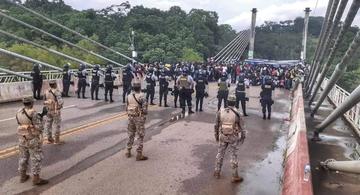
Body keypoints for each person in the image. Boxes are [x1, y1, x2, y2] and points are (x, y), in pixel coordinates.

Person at [16, 97, 48, 185]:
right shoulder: (33, 113)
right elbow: (40, 127)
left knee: (23, 157)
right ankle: (36, 179)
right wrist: (43, 117)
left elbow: (21, 123)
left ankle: (23, 176)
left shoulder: (19, 112)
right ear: (31, 103)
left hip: (22, 138)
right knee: (36, 158)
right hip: (32, 139)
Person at [214, 95, 246, 183]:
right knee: (233, 155)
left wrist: (216, 136)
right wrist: (242, 137)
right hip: (233, 137)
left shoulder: (221, 112)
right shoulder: (237, 114)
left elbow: (216, 125)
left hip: (223, 136)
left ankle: (217, 171)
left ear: (227, 102)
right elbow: (242, 128)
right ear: (235, 103)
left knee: (220, 154)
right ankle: (235, 175)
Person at [125, 80, 149, 161]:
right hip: (139, 118)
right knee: (140, 135)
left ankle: (128, 151)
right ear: (140, 87)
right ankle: (139, 154)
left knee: (130, 134)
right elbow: (145, 110)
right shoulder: (142, 96)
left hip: (130, 117)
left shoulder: (128, 96)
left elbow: (126, 108)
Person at [44, 80, 64, 144]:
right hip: (55, 110)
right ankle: (56, 140)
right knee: (56, 125)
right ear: (55, 84)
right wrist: (60, 106)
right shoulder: (56, 92)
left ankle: (49, 139)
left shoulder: (46, 91)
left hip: (48, 110)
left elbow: (44, 100)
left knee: (48, 125)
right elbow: (60, 102)